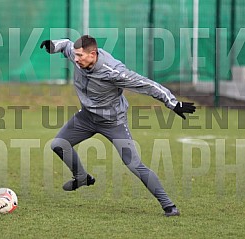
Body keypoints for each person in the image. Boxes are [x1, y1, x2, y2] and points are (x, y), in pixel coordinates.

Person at [40, 35, 195, 217]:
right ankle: (81, 177)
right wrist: (52, 46)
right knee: (58, 144)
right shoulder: (78, 55)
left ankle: (169, 206)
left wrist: (173, 103)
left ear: (93, 54)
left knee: (133, 163)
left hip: (113, 122)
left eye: (80, 56)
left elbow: (146, 84)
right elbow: (66, 43)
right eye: (75, 55)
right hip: (87, 117)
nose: (75, 59)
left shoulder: (113, 71)